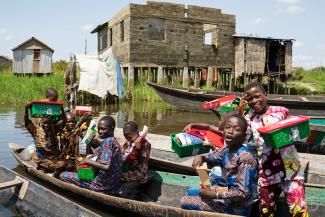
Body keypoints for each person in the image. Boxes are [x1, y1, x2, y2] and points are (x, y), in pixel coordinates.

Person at [244, 81, 308, 217]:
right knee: (266, 209)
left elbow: (294, 131)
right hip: (267, 170)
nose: (254, 101)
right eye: (249, 99)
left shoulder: (281, 111)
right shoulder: (249, 119)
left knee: (299, 209)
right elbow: (242, 136)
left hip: (290, 166)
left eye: (257, 96)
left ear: (266, 95)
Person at [181, 114, 258, 216]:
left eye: (236, 129)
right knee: (191, 192)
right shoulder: (226, 150)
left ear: (244, 136)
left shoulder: (245, 157)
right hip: (226, 191)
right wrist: (201, 157)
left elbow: (243, 193)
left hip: (238, 205)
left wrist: (214, 194)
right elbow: (212, 156)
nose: (230, 131)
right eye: (228, 127)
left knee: (185, 201)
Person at [60, 116, 122, 195]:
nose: (100, 131)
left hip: (101, 185)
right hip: (112, 183)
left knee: (63, 175)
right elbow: (97, 153)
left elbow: (106, 166)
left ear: (112, 128)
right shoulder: (114, 140)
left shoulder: (108, 141)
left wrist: (86, 161)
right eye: (99, 129)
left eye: (103, 129)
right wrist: (87, 141)